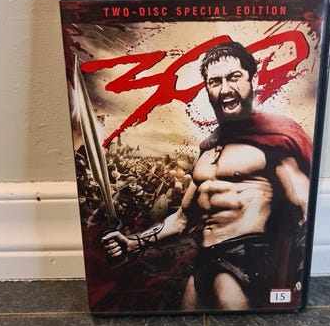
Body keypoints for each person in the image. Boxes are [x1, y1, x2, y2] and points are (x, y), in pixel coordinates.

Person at [102, 41, 312, 310]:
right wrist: (133, 243)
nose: (225, 89)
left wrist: (301, 271)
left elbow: (305, 207)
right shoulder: (207, 150)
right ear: (207, 89)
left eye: (234, 77)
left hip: (246, 258)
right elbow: (182, 219)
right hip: (205, 259)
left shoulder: (275, 140)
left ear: (253, 80)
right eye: (215, 81)